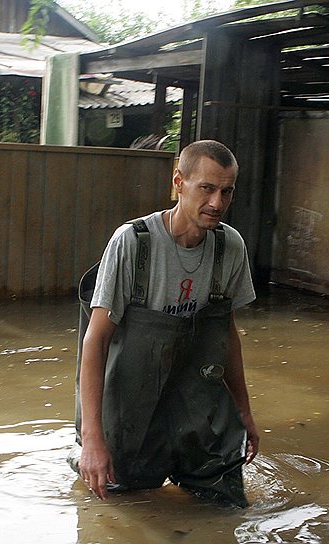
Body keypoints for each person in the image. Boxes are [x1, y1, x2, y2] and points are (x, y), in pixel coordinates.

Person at [70, 140, 259, 507]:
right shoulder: (133, 243)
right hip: (130, 406)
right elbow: (95, 342)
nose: (217, 203)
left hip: (196, 403)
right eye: (206, 188)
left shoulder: (230, 247)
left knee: (225, 508)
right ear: (179, 182)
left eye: (226, 191)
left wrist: (244, 411)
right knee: (122, 507)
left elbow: (227, 336)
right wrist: (93, 438)